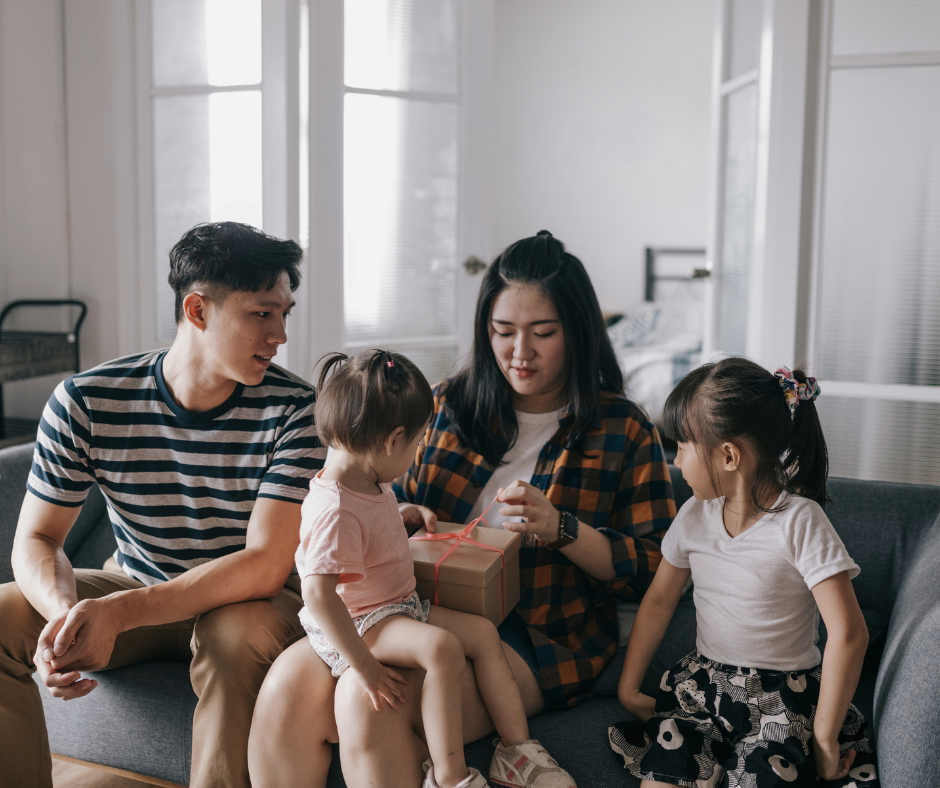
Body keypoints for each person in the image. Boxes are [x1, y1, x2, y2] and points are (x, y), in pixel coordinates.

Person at [249, 230, 677, 787]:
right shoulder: (447, 403)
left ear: (577, 332)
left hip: (539, 634)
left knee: (367, 702)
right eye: (503, 332)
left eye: (542, 333)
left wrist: (562, 527)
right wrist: (405, 514)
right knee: (284, 689)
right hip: (407, 607)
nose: (519, 353)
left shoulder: (623, 429)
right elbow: (389, 496)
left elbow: (656, 573)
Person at [0, 222, 325, 788]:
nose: (280, 335)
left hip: (250, 601)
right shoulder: (88, 401)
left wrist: (119, 615)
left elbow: (266, 564)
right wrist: (65, 617)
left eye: (284, 314)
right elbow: (37, 539)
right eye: (261, 314)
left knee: (234, 635)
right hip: (136, 584)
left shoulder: (298, 411)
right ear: (197, 310)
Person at [296, 349, 575, 788]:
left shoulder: (366, 478)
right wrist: (364, 666)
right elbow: (317, 593)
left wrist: (400, 512)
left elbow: (364, 526)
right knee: (442, 648)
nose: (419, 450)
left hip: (395, 605)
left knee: (483, 634)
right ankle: (450, 776)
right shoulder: (335, 508)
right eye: (417, 442)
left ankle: (516, 751)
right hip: (362, 621)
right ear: (392, 441)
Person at [609, 359, 879, 787]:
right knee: (663, 777)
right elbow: (659, 600)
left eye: (680, 446)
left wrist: (825, 741)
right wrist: (628, 686)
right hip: (703, 692)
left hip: (781, 701)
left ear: (729, 455)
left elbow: (849, 633)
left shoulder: (799, 522)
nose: (675, 460)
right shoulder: (693, 515)